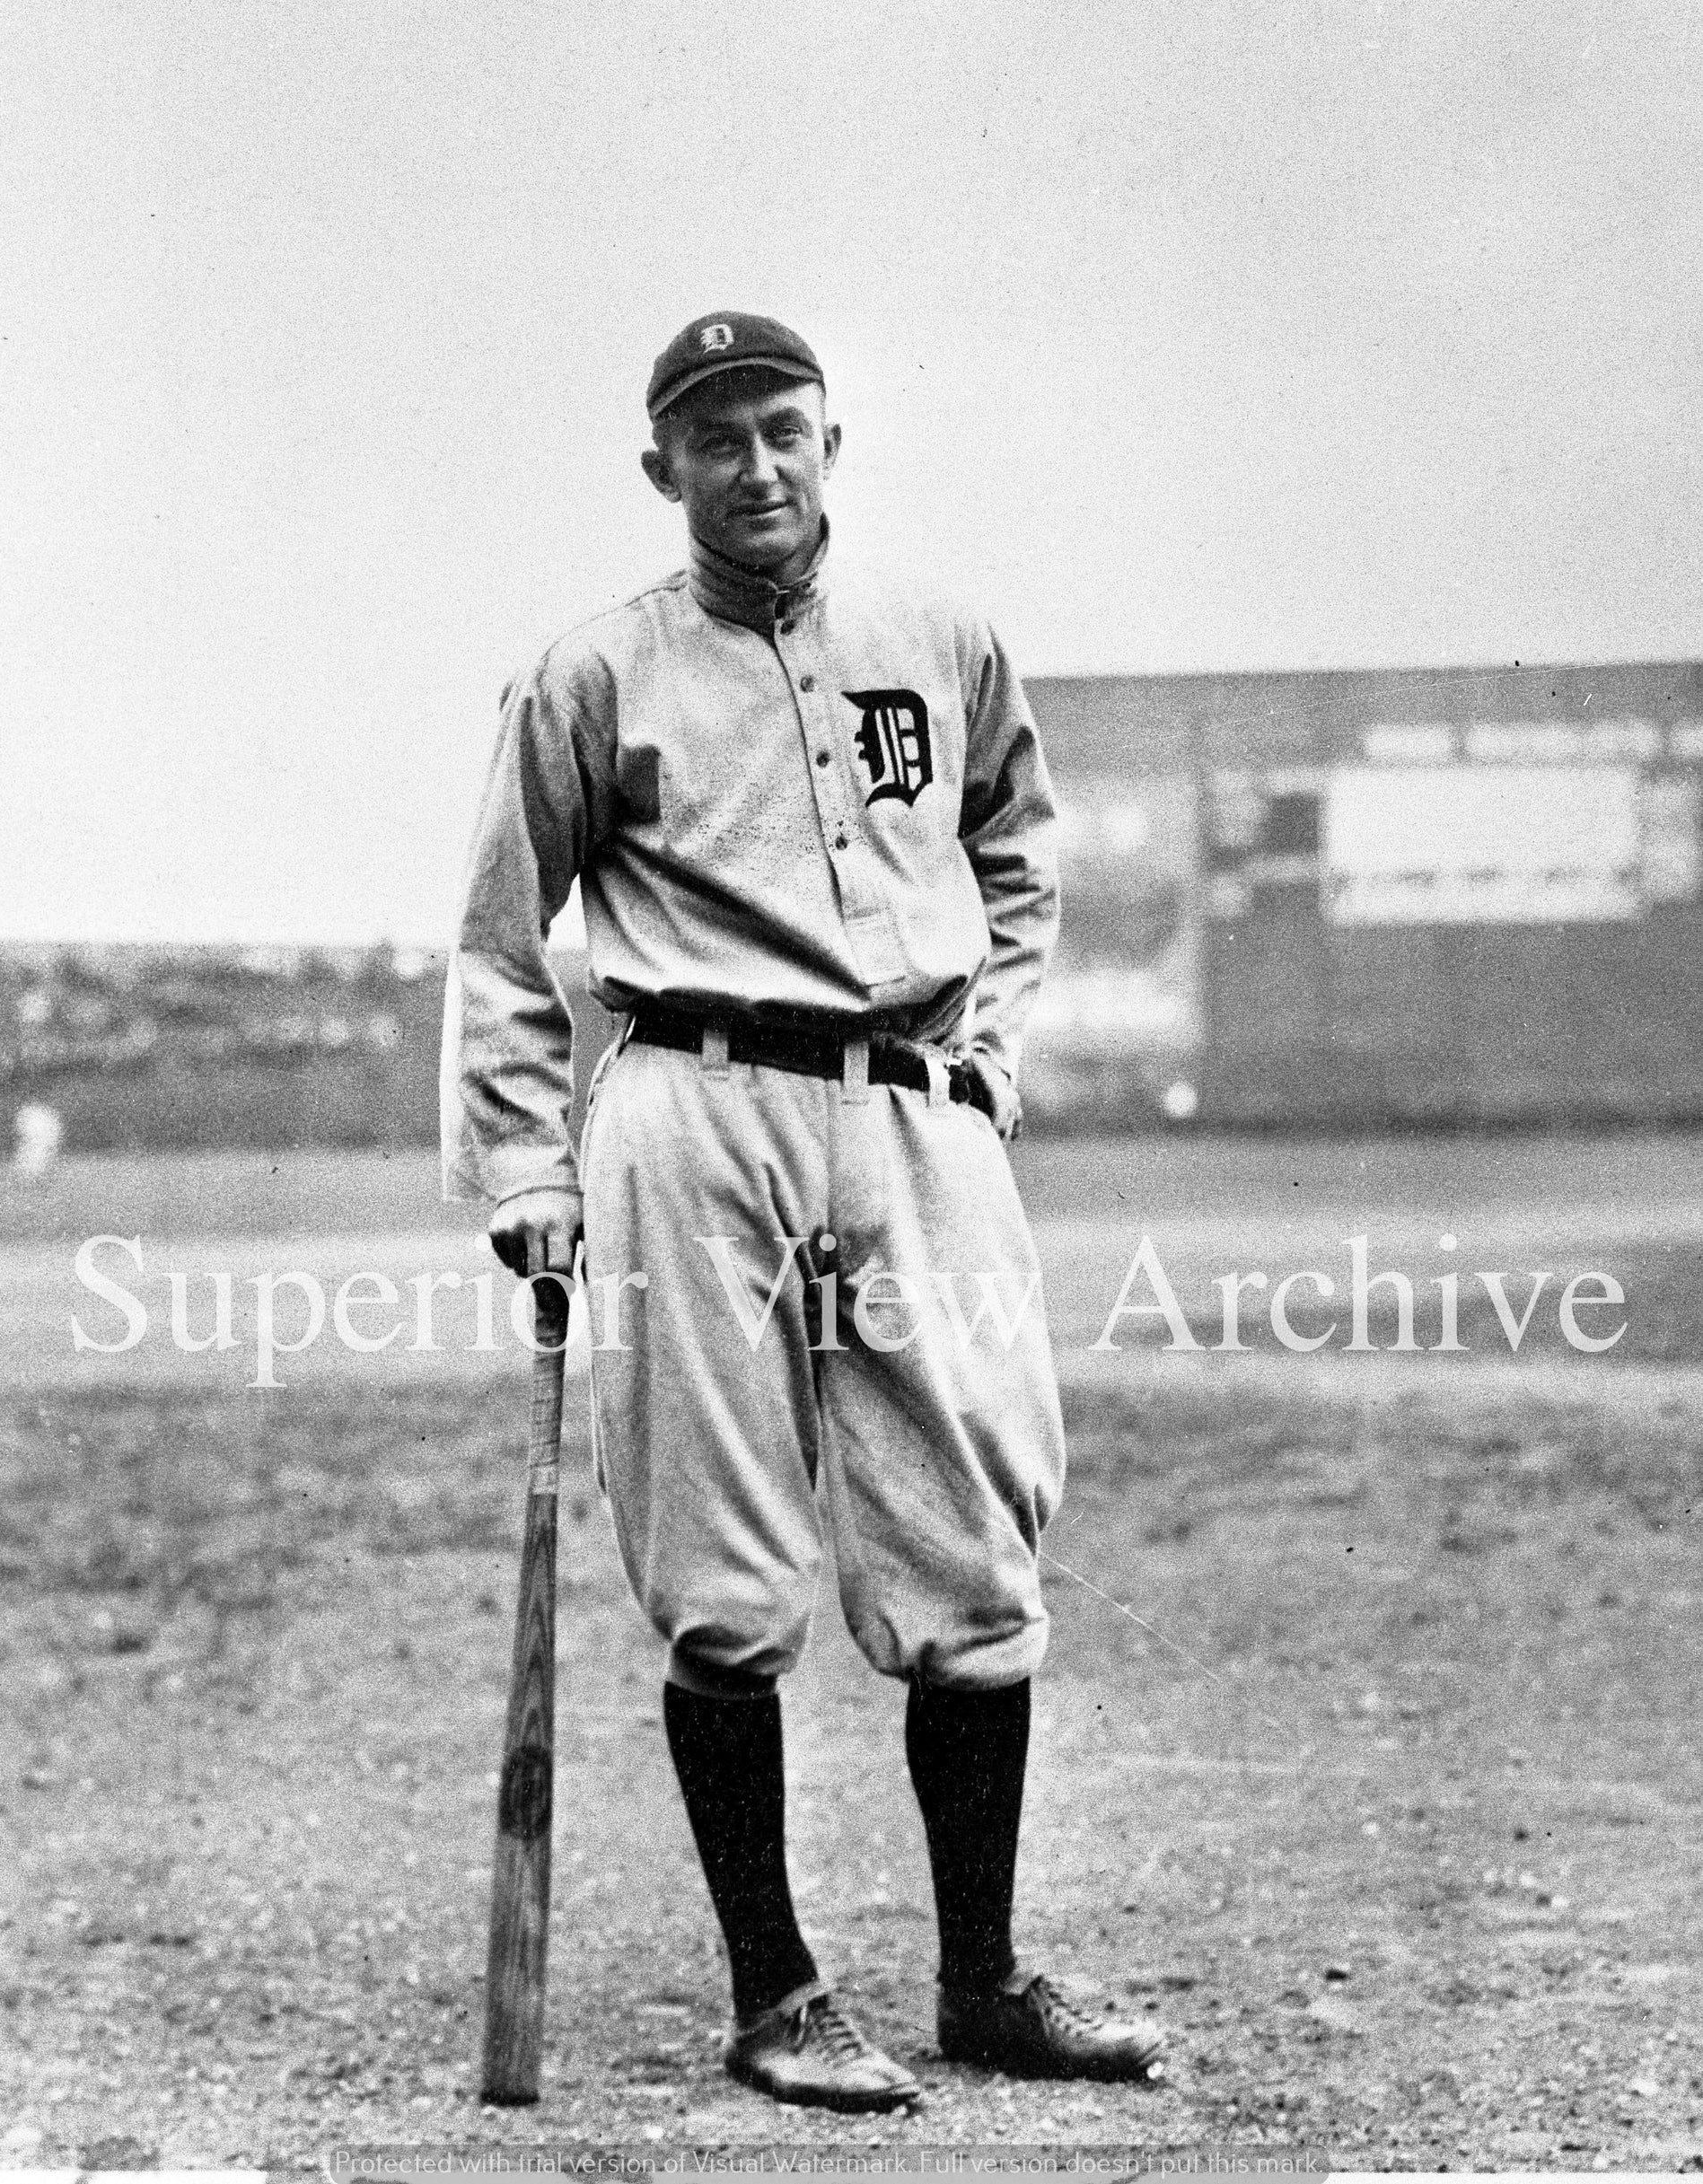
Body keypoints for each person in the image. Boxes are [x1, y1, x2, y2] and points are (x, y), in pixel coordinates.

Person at [443, 311, 1166, 2112]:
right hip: (691, 1108)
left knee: (975, 1546)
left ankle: (983, 1981)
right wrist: (526, 1164)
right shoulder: (591, 672)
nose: (753, 464)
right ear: (662, 468)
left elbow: (1018, 846)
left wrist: (988, 1039)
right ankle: (775, 1993)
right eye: (715, 439)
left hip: (911, 1109)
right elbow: (500, 940)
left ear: (830, 440)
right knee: (721, 1569)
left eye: (780, 428)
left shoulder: (941, 637)